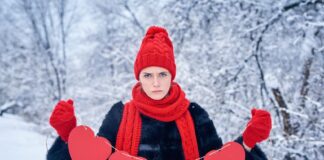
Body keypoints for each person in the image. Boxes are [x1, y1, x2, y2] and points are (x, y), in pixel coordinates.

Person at [47, 26, 272, 160]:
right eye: (148, 75)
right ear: (139, 77)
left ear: (171, 75)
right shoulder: (119, 115)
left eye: (162, 74)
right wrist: (67, 134)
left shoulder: (195, 115)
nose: (155, 82)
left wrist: (248, 142)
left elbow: (218, 157)